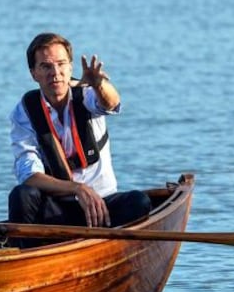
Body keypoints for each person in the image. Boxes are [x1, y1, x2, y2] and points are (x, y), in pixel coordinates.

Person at [8, 32, 151, 236]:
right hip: (58, 211)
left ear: (70, 67)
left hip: (102, 206)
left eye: (61, 64)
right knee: (21, 195)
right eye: (46, 66)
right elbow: (29, 175)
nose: (55, 73)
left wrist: (99, 84)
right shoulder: (25, 111)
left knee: (140, 202)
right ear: (34, 74)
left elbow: (111, 103)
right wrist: (76, 188)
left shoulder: (87, 93)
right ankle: (29, 256)